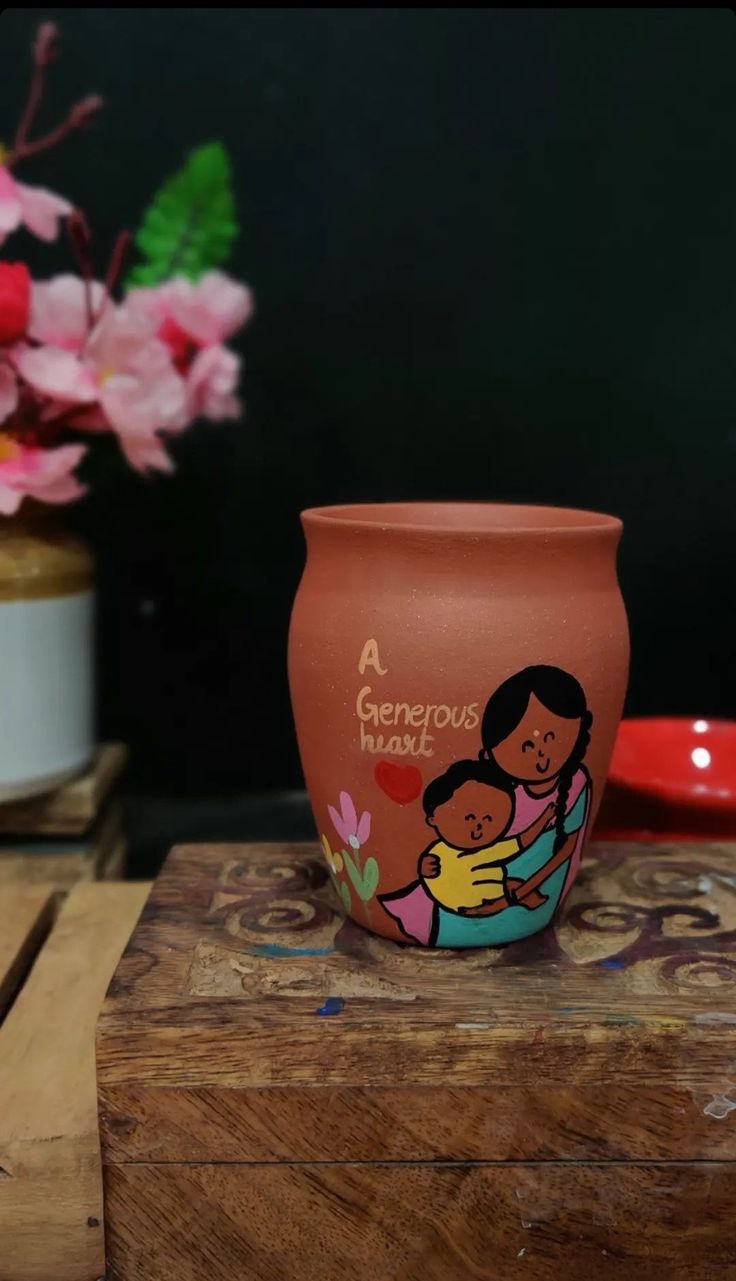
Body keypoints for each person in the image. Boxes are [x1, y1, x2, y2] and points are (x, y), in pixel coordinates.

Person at [379, 665, 593, 947]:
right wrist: (427, 865)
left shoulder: (574, 784)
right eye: (526, 745)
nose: (542, 753)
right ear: (493, 746)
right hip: (458, 892)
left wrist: (509, 899)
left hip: (510, 898)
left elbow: (563, 851)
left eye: (552, 738)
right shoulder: (491, 786)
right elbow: (455, 833)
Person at [417, 759, 555, 914]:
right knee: (513, 886)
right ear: (433, 818)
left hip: (492, 893)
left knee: (514, 885)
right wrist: (425, 868)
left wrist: (544, 818)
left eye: (489, 819)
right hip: (462, 899)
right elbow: (521, 842)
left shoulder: (489, 850)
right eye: (469, 817)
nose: (479, 825)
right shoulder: (439, 851)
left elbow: (521, 841)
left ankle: (534, 901)